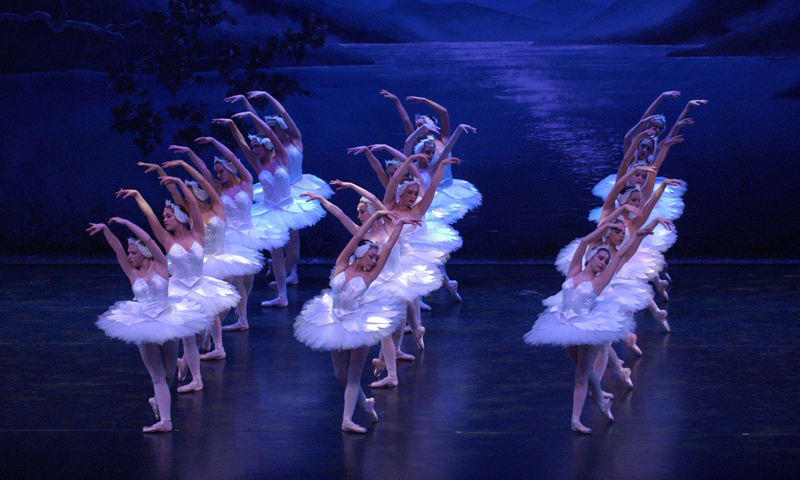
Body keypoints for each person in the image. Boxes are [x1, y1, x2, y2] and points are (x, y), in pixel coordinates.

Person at [294, 211, 417, 433]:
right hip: (335, 323)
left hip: (359, 325)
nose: (374, 262)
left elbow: (387, 249)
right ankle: (366, 403)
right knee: (340, 375)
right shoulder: (342, 265)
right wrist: (376, 215)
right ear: (359, 254)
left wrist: (398, 225)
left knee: (353, 376)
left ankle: (347, 420)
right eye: (371, 257)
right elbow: (358, 235)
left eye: (375, 259)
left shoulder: (369, 277)